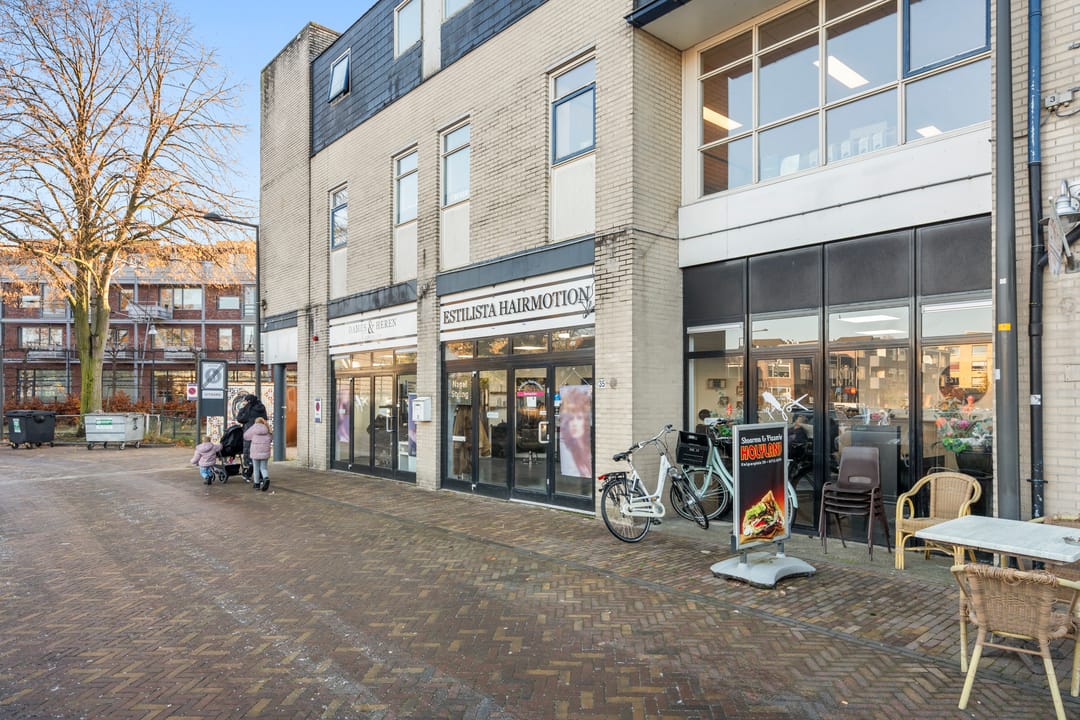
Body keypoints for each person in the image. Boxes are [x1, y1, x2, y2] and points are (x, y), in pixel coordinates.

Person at [236, 393, 267, 481]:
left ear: (248, 401)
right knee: (259, 455)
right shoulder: (261, 408)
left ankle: (257, 477)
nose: (244, 402)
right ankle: (255, 475)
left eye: (245, 400)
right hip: (262, 434)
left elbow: (240, 419)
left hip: (250, 434)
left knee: (252, 456)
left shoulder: (247, 409)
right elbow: (265, 419)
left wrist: (242, 409)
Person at [243, 417, 272, 491]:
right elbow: (270, 439)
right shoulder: (267, 428)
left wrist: (252, 437)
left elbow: (245, 436)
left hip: (255, 452)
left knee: (256, 468)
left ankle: (257, 484)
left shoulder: (254, 428)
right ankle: (266, 478)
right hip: (265, 452)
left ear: (256, 422)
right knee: (263, 468)